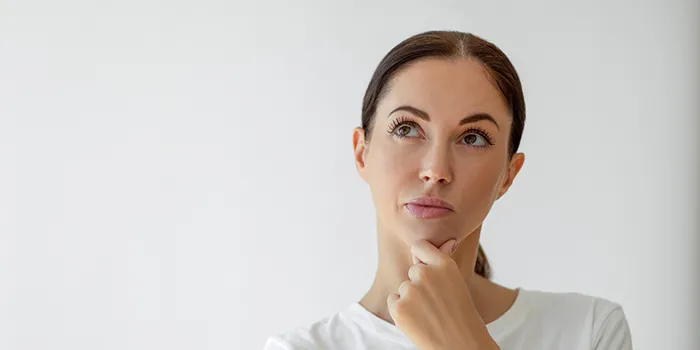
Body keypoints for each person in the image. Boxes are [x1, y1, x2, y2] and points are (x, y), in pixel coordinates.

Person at [263, 30, 633, 350]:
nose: (436, 170)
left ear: (508, 174)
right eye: (407, 129)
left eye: (472, 138)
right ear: (363, 154)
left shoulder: (589, 331)